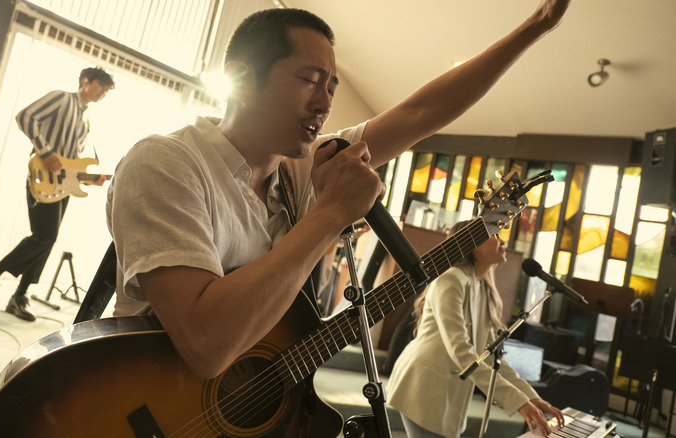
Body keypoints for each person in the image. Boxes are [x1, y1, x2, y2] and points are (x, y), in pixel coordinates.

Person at [107, 0, 569, 431]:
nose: (325, 103)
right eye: (309, 79)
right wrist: (329, 213)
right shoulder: (166, 163)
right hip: (144, 414)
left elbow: (420, 112)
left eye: (332, 86)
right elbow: (205, 345)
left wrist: (537, 26)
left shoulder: (302, 172)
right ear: (242, 80)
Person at [386, 221, 564, 437]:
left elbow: (490, 356)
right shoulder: (451, 279)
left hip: (445, 394)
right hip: (424, 388)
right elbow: (462, 353)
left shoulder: (479, 285)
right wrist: (518, 403)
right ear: (472, 243)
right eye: (494, 235)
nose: (502, 240)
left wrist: (530, 397)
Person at [0, 66, 114, 322]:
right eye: (101, 86)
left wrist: (89, 178)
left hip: (62, 187)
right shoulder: (61, 98)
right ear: (85, 81)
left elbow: (70, 163)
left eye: (106, 90)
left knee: (46, 239)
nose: (103, 93)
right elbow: (25, 116)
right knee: (45, 236)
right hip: (41, 179)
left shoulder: (85, 122)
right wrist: (45, 151)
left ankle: (19, 296)